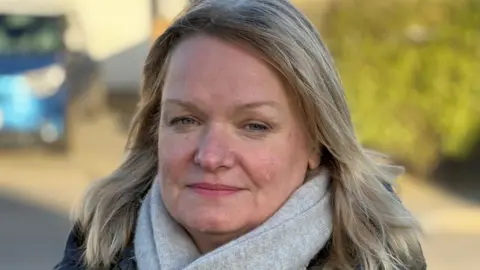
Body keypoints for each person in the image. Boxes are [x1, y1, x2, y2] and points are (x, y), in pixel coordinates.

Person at [55, 0, 426, 269]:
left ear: (316, 141)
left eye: (254, 126)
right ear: (156, 129)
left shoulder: (383, 258)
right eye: (185, 120)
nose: (212, 156)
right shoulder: (95, 251)